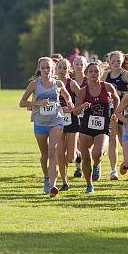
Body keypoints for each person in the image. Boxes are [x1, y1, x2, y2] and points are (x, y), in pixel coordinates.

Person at [18, 57, 74, 197]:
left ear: (53, 69)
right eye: (43, 68)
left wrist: (70, 103)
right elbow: (22, 103)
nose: (46, 70)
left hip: (56, 121)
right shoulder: (34, 84)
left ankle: (53, 186)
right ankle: (46, 178)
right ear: (39, 69)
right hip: (40, 123)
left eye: (48, 67)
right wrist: (37, 104)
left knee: (52, 151)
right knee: (44, 155)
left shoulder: (58, 83)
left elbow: (67, 97)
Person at [74, 62, 120, 193]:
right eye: (91, 71)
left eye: (96, 71)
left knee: (97, 154)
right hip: (86, 126)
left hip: (103, 126)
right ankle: (89, 185)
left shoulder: (108, 87)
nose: (94, 73)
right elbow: (75, 112)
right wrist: (82, 107)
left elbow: (116, 99)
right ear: (86, 74)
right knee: (86, 157)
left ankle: (97, 164)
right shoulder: (83, 91)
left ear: (101, 72)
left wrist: (115, 113)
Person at [103, 51, 128, 181]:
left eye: (118, 61)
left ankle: (126, 162)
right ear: (109, 62)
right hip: (111, 111)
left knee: (124, 141)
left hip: (124, 112)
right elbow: (100, 90)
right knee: (112, 141)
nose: (116, 64)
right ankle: (113, 170)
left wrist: (122, 92)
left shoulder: (126, 75)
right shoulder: (105, 75)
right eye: (113, 61)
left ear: (122, 62)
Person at [55, 58, 82, 191]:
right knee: (60, 153)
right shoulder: (52, 83)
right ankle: (65, 183)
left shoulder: (72, 84)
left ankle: (78, 154)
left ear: (69, 69)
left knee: (70, 158)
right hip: (57, 121)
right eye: (60, 67)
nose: (62, 70)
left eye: (65, 68)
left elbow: (82, 98)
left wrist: (72, 108)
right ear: (56, 69)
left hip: (72, 120)